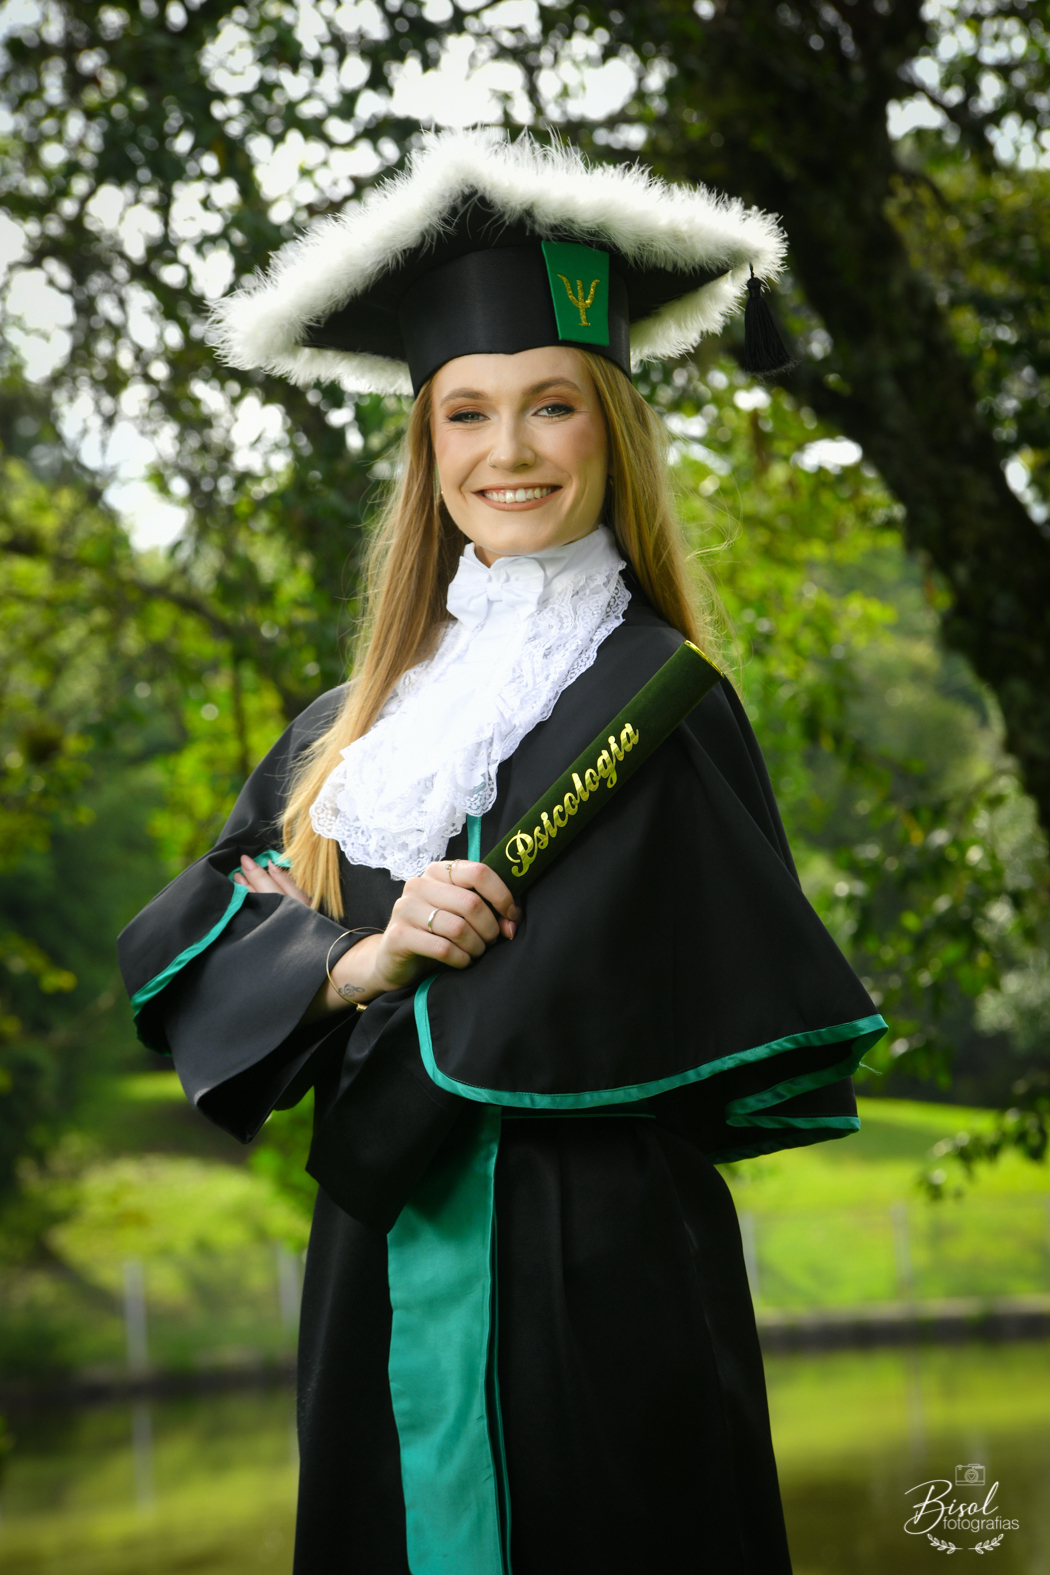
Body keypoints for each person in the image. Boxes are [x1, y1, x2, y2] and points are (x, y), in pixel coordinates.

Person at [118, 132, 885, 1575]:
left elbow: (713, 999)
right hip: (379, 1250)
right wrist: (355, 961)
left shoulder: (660, 698)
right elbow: (204, 925)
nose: (509, 452)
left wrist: (473, 1002)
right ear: (426, 448)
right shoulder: (348, 732)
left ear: (611, 429)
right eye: (466, 415)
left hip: (593, 1261)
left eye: (551, 406)